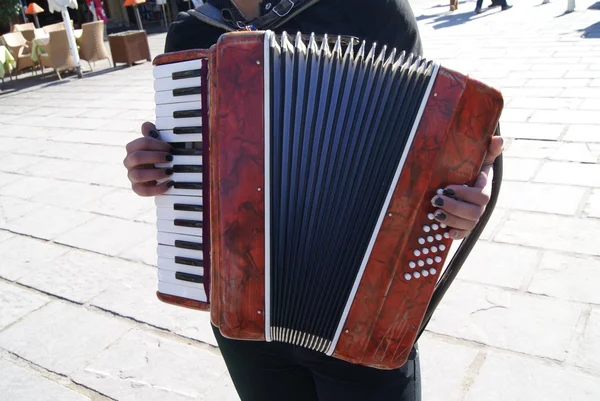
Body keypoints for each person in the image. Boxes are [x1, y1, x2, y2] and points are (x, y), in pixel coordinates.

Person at [123, 1, 504, 400]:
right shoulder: (192, 33)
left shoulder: (375, 10)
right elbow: (185, 161)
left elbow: (430, 144)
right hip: (241, 313)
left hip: (366, 316)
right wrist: (154, 168)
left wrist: (458, 202)